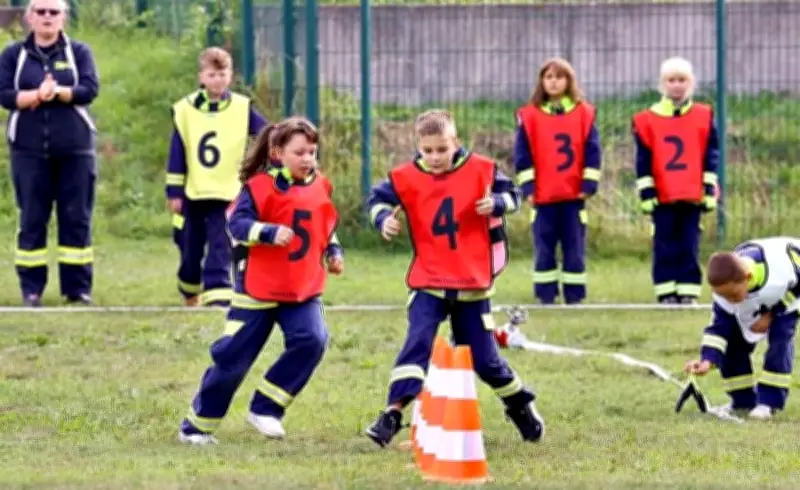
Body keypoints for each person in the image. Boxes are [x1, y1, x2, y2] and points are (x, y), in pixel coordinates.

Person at [364, 109, 545, 448]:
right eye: (427, 150)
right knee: (417, 343)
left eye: (442, 149)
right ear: (418, 146)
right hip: (428, 281)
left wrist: (497, 203)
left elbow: (515, 194)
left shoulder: (482, 169)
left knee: (486, 362)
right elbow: (376, 199)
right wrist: (383, 218)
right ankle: (391, 414)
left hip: (472, 284)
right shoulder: (405, 176)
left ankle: (519, 403)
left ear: (456, 142)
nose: (434, 157)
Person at [178, 117, 343, 445]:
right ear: (278, 153)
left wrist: (334, 251)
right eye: (300, 152)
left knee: (312, 340)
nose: (308, 159)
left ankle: (266, 408)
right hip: (257, 290)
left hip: (301, 290)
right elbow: (235, 224)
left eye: (312, 152)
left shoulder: (320, 186)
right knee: (232, 358)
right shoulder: (258, 187)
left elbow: (325, 226)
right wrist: (267, 232)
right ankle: (196, 427)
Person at [0, 0, 99, 307]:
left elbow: (89, 89)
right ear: (29, 17)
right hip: (28, 150)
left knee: (76, 218)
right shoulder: (13, 55)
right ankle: (31, 289)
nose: (46, 17)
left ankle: (77, 289)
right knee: (32, 218)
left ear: (63, 17)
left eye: (53, 12)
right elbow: (5, 94)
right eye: (40, 11)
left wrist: (58, 92)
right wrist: (35, 95)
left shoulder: (78, 52)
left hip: (75, 149)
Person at [165, 47, 268, 307]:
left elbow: (266, 134)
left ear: (230, 75)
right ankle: (189, 287)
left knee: (221, 244)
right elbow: (177, 152)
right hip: (194, 191)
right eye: (212, 75)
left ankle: (218, 294)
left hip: (227, 191)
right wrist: (174, 192)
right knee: (190, 246)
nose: (218, 80)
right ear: (201, 77)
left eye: (222, 74)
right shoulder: (185, 110)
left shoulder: (242, 108)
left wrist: (281, 146)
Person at [513, 57, 601, 305]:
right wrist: (528, 188)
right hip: (543, 196)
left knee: (574, 247)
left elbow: (593, 151)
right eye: (548, 77)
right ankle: (546, 294)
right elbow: (522, 155)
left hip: (574, 195)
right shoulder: (529, 116)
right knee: (544, 247)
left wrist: (588, 185)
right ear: (541, 81)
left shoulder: (584, 113)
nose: (553, 82)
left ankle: (574, 295)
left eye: (559, 77)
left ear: (569, 81)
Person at [632, 56, 719, 305]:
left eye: (682, 80)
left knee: (689, 243)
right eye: (671, 80)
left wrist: (708, 189)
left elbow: (711, 156)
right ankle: (666, 292)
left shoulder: (704, 116)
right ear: (662, 84)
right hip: (663, 194)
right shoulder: (646, 120)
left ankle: (688, 292)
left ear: (691, 83)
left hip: (692, 194)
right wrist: (646, 193)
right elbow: (643, 161)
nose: (677, 85)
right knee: (664, 243)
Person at [684, 237, 800, 420]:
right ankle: (742, 401)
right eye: (723, 296)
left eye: (733, 295)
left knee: (780, 342)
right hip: (760, 296)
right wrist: (707, 360)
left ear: (748, 277)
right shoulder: (726, 291)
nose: (729, 301)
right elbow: (719, 328)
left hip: (791, 294)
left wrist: (772, 314)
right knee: (733, 344)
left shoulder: (778, 273)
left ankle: (769, 403)